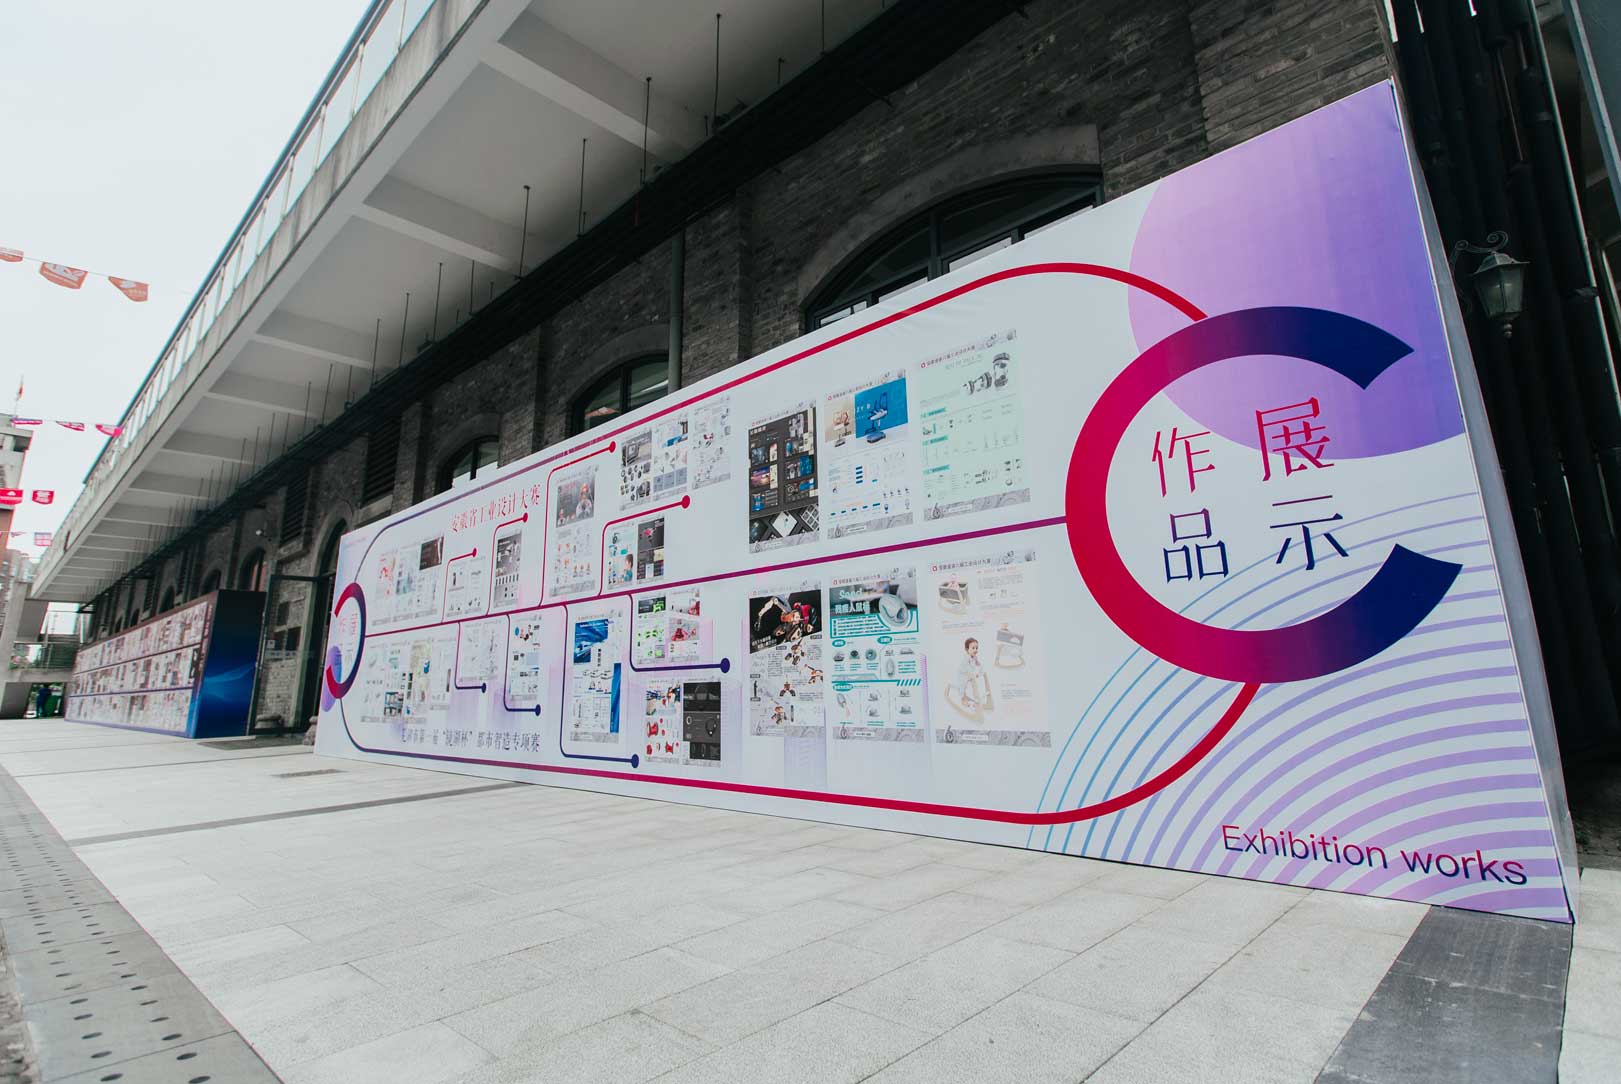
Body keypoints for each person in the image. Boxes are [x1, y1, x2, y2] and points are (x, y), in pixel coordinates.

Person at [956, 637, 988, 709]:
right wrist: (972, 674)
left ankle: (976, 698)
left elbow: (977, 664)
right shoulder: (966, 658)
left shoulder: (975, 657)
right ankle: (963, 699)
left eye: (976, 648)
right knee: (963, 686)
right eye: (973, 648)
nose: (975, 650)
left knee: (973, 685)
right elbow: (967, 667)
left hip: (970, 674)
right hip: (963, 674)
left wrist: (980, 669)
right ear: (967, 649)